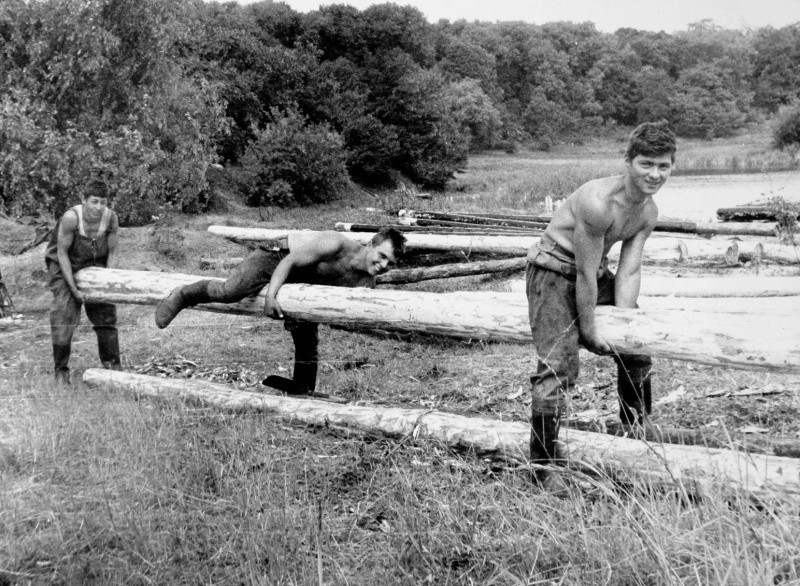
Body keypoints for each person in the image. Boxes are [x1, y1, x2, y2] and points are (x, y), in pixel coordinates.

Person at [525, 120, 676, 476]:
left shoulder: (648, 212)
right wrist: (590, 331)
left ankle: (634, 431)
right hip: (553, 272)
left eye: (663, 166)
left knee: (637, 346)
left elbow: (628, 272)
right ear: (628, 162)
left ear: (672, 166)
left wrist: (626, 328)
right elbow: (583, 273)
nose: (654, 174)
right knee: (559, 367)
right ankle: (543, 467)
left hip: (592, 273)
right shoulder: (598, 203)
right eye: (646, 164)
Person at [155, 227, 406, 394]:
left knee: (307, 334)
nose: (383, 265)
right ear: (372, 244)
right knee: (232, 291)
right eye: (382, 256)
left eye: (390, 264)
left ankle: (303, 389)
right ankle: (184, 293)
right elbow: (290, 261)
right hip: (279, 255)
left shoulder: (366, 282)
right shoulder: (336, 244)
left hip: (306, 277)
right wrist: (272, 296)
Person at [45, 179, 121, 384]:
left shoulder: (111, 218)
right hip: (65, 265)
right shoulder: (71, 218)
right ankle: (61, 372)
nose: (98, 207)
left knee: (105, 314)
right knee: (63, 315)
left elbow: (113, 252)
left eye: (103, 202)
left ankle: (113, 366)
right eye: (94, 202)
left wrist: (106, 283)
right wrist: (75, 292)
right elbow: (61, 254)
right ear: (84, 200)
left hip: (95, 266)